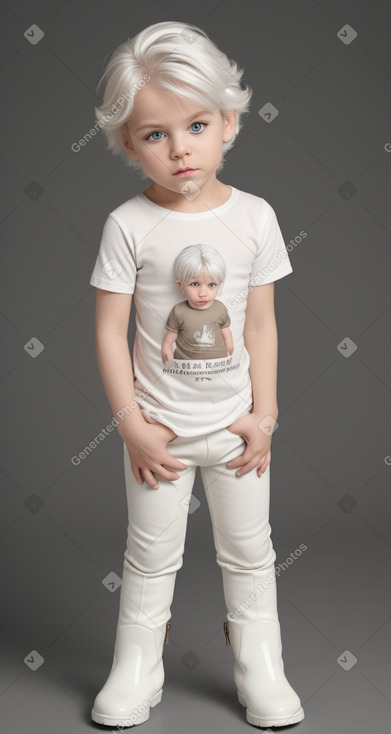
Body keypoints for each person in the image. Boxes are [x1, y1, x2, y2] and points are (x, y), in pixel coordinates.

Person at [89, 20, 305, 729]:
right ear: (128, 144)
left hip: (239, 430)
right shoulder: (128, 226)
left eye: (196, 124)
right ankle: (136, 667)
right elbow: (108, 331)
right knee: (150, 555)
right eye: (154, 134)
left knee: (249, 551)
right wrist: (132, 429)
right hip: (160, 434)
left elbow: (261, 326)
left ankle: (259, 665)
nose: (179, 148)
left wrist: (264, 416)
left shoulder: (255, 218)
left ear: (230, 122)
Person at [162, 244, 234, 363]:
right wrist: (166, 349)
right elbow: (170, 339)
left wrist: (230, 347)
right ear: (181, 286)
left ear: (219, 286)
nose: (203, 293)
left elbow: (226, 332)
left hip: (218, 365)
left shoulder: (220, 308)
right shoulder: (179, 311)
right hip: (186, 368)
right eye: (194, 284)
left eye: (211, 285)